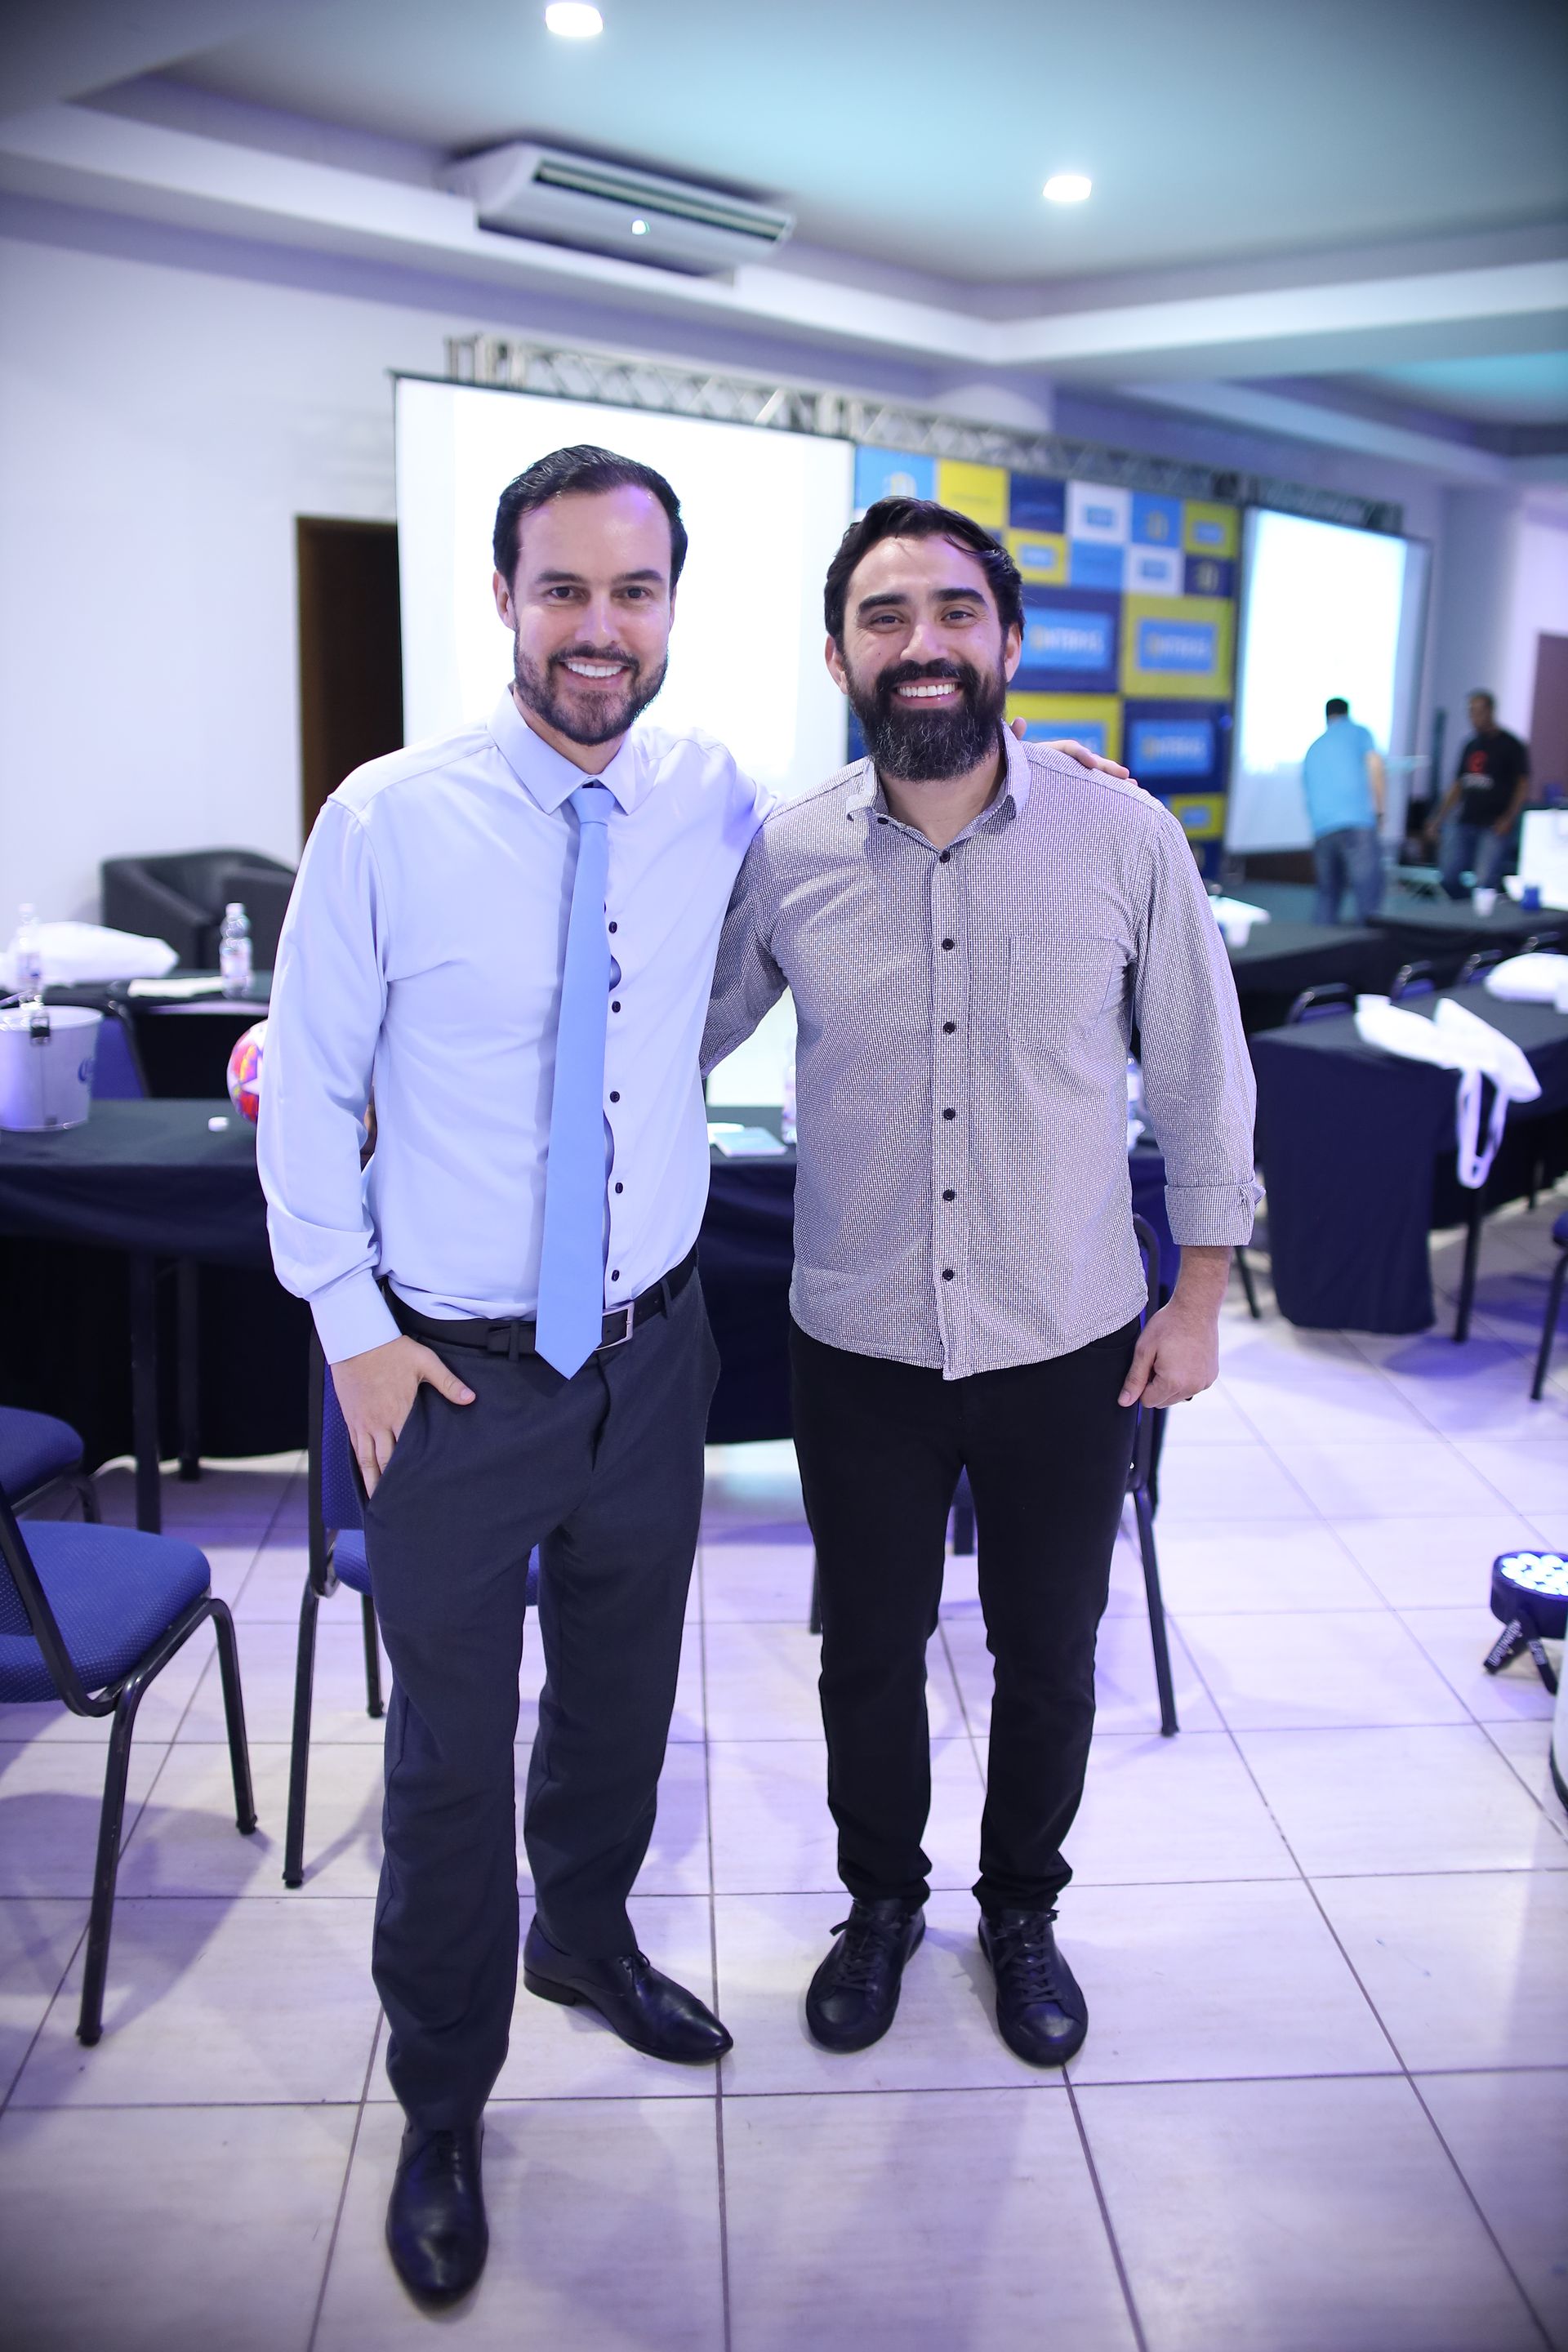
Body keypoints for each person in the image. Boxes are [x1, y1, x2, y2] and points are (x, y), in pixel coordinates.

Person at [259, 446, 1126, 2308]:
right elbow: (307, 1084)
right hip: (456, 1375)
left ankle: (583, 1937)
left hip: (652, 1356)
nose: (598, 627)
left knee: (618, 1707)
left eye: (632, 592)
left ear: (674, 609)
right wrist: (351, 1332)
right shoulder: (387, 819)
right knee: (439, 1760)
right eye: (562, 589)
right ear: (501, 597)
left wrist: (1063, 792)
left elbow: (883, 851)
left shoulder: (714, 796)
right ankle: (441, 2095)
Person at [702, 497, 1257, 2071]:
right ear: (838, 656)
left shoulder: (1124, 836)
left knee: (1049, 1646)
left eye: (956, 612)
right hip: (861, 1335)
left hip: (1065, 1333)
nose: (923, 644)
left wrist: (1199, 1295)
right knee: (867, 1649)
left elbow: (1204, 1076)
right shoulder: (789, 855)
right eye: (887, 618)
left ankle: (1024, 1908)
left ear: (1007, 644)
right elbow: (675, 1035)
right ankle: (882, 1906)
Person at [1426, 690, 1532, 899]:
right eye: (1471, 712)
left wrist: (1509, 818)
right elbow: (1458, 785)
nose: (1474, 717)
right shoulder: (1471, 745)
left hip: (1494, 823)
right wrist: (1438, 818)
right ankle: (1463, 912)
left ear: (1491, 711)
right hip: (1466, 819)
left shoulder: (1511, 745)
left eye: (1478, 711)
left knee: (1485, 880)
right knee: (1448, 874)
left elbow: (1522, 784)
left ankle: (1479, 919)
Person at [1301, 695, 1384, 924]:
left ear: (1327, 717)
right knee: (1367, 893)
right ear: (1348, 713)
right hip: (1357, 824)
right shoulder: (1359, 732)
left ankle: (1319, 950)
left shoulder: (1313, 747)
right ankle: (1371, 953)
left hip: (1323, 828)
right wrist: (1379, 810)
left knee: (1327, 894)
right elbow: (1375, 766)